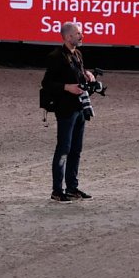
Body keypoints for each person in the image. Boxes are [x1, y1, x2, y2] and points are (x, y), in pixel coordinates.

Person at [41, 22, 96, 202]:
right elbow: (47, 84)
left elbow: (76, 74)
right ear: (67, 37)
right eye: (78, 33)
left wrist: (87, 74)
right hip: (65, 109)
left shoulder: (77, 54)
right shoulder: (55, 56)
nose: (82, 36)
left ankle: (72, 187)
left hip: (79, 108)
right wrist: (67, 87)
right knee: (63, 149)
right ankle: (57, 190)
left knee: (76, 149)